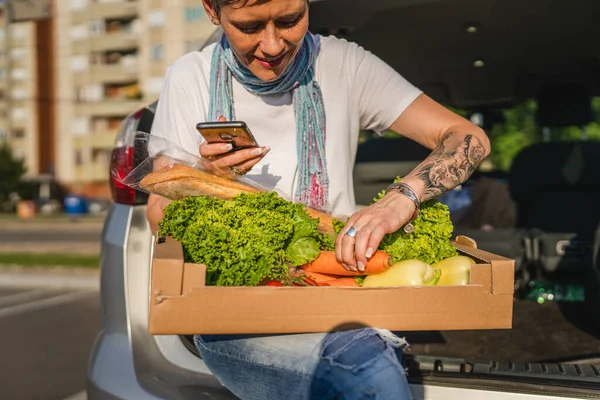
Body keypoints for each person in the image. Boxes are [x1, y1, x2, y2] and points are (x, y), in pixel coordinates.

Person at [146, 0, 491, 398]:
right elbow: (159, 214)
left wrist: (402, 198)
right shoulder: (191, 77)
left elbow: (469, 138)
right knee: (367, 379)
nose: (273, 45)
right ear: (211, 9)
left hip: (337, 294)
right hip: (236, 313)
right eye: (250, 26)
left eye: (290, 21)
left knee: (371, 372)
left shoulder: (344, 65)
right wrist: (206, 179)